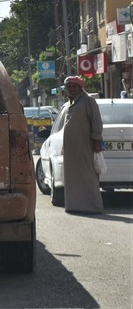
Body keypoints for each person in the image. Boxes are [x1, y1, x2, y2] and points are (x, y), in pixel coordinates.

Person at [61, 75, 104, 214]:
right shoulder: (69, 103)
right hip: (71, 148)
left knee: (88, 175)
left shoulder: (88, 101)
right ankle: (75, 206)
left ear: (80, 87)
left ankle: (93, 207)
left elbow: (96, 122)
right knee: (72, 177)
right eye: (69, 87)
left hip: (85, 145)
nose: (71, 89)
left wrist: (97, 140)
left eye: (74, 86)